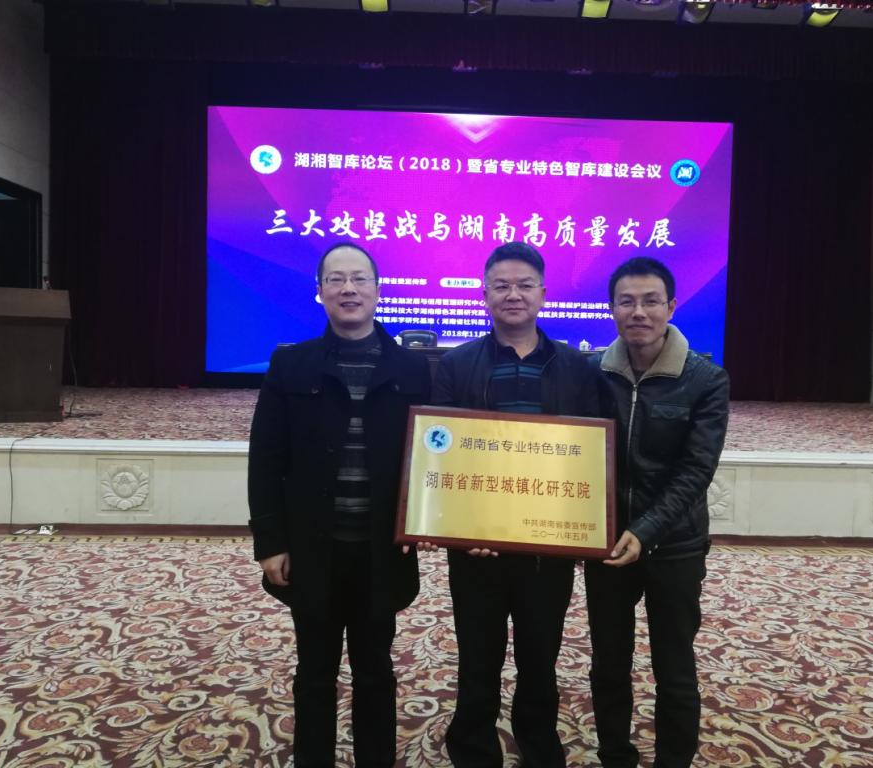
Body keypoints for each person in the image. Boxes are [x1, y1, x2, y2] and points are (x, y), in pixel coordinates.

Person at [247, 242, 431, 768]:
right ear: (320, 291)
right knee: (314, 672)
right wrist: (271, 542)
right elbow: (266, 459)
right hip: (313, 550)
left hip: (381, 550)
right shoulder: (291, 363)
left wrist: (429, 522)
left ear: (378, 289)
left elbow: (432, 457)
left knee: (375, 671)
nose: (348, 289)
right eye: (336, 279)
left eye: (359, 279)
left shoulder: (413, 368)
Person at [432, 241, 600, 768]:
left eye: (525, 285)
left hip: (547, 545)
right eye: (501, 285)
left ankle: (538, 744)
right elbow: (441, 453)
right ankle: (473, 748)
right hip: (476, 546)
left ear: (543, 294)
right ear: (484, 294)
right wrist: (462, 527)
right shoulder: (456, 365)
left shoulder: (577, 367)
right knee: (477, 655)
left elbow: (589, 457)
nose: (513, 295)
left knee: (540, 656)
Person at [585, 257, 729, 768]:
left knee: (674, 667)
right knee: (608, 663)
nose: (638, 312)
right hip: (606, 544)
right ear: (612, 308)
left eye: (650, 301)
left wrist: (645, 530)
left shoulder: (705, 379)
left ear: (671, 306)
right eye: (626, 301)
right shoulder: (592, 373)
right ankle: (615, 756)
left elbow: (695, 470)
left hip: (675, 546)